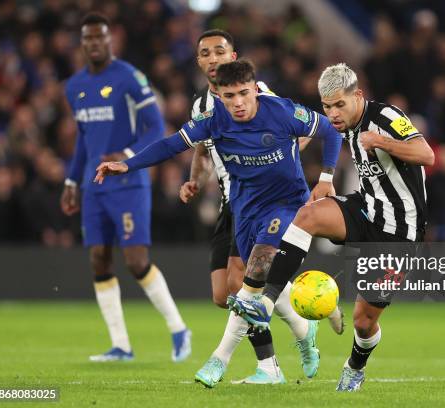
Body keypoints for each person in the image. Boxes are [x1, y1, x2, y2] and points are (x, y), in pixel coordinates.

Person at [94, 60, 343, 384]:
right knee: (241, 288)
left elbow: (329, 129)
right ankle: (303, 327)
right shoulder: (212, 120)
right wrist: (128, 165)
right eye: (229, 96)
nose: (238, 102)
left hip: (284, 204)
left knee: (254, 275)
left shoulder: (281, 111)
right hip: (245, 209)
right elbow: (172, 144)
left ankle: (219, 360)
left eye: (243, 93)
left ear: (255, 89)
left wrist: (326, 177)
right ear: (220, 97)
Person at [228, 63, 435, 391]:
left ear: (358, 96)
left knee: (363, 322)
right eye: (327, 106)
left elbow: (426, 154)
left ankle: (355, 365)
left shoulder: (385, 118)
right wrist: (317, 174)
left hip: (400, 232)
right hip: (366, 210)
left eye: (340, 104)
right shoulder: (342, 123)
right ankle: (266, 300)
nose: (334, 113)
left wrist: (382, 143)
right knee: (307, 215)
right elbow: (311, 132)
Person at [178, 30, 342, 388]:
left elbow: (301, 124)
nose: (214, 57)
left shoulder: (256, 92)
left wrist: (277, 157)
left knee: (244, 283)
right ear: (200, 62)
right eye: (206, 53)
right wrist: (195, 180)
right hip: (230, 200)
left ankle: (266, 367)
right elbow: (202, 149)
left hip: (262, 197)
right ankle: (303, 323)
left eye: (221, 50)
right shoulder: (201, 107)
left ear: (233, 55)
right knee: (224, 296)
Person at [60, 12, 190, 362]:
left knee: (135, 261)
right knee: (99, 261)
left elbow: (155, 126)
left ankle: (178, 328)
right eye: (88, 38)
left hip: (128, 182)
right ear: (82, 42)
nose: (94, 43)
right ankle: (121, 345)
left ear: (110, 39)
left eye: (100, 37)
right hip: (93, 186)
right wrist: (72, 181)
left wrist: (128, 155)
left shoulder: (130, 78)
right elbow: (85, 142)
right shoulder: (74, 87)